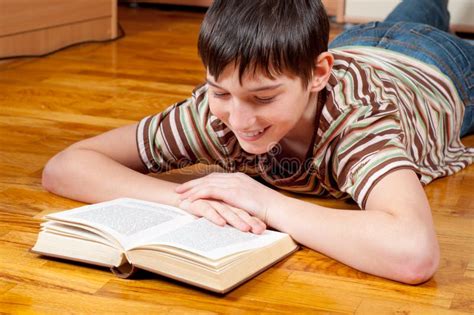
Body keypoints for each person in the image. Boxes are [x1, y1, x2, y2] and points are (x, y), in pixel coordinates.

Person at [42, 0, 474, 284]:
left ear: (318, 75)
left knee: (422, 15)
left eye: (263, 98)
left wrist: (266, 203)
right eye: (220, 91)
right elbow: (66, 166)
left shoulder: (356, 121)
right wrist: (183, 198)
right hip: (356, 43)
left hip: (435, 69)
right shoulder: (214, 116)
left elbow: (413, 252)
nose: (240, 119)